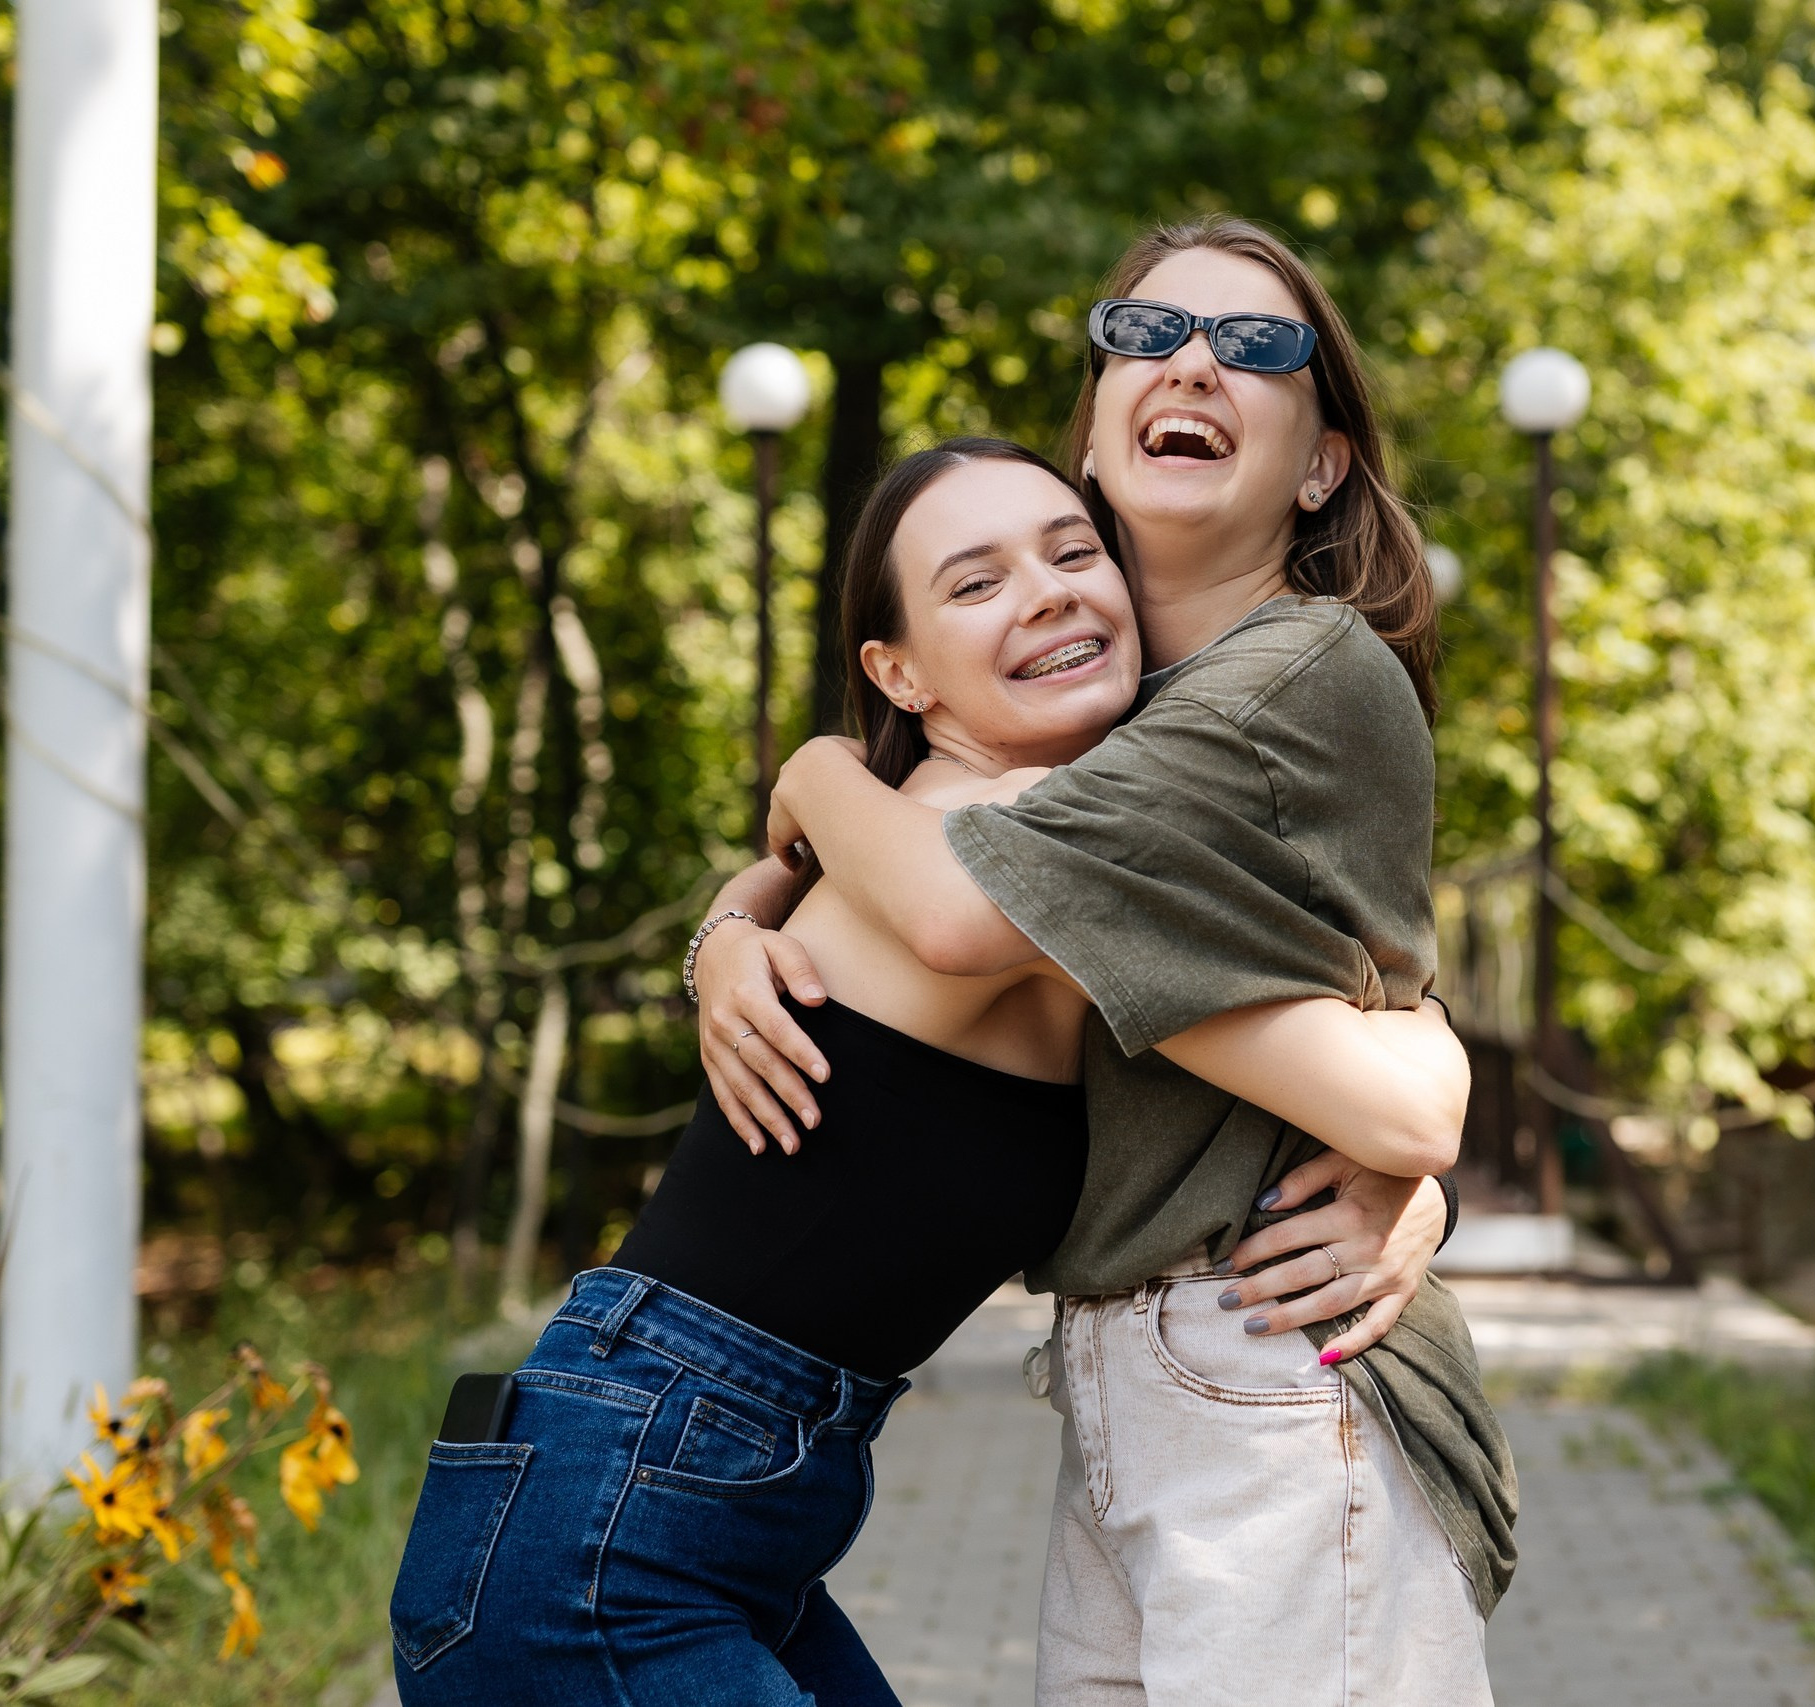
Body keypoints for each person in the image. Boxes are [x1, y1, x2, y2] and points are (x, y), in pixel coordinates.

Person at [385, 437, 1471, 1707]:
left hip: (679, 1502)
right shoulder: (997, 864)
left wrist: (791, 817)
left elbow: (1320, 1029)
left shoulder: (981, 844)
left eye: (1074, 553)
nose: (1052, 590)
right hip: (608, 1531)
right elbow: (1402, 1099)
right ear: (897, 672)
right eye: (976, 583)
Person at [701, 216, 1514, 1706]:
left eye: (1256, 345)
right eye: (1144, 334)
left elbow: (958, 910)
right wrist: (729, 931)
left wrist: (816, 769)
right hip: (1141, 1377)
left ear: (1322, 461)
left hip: (1267, 1368)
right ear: (1091, 423)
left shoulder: (1290, 673)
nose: (1192, 360)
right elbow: (1355, 993)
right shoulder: (1110, 706)